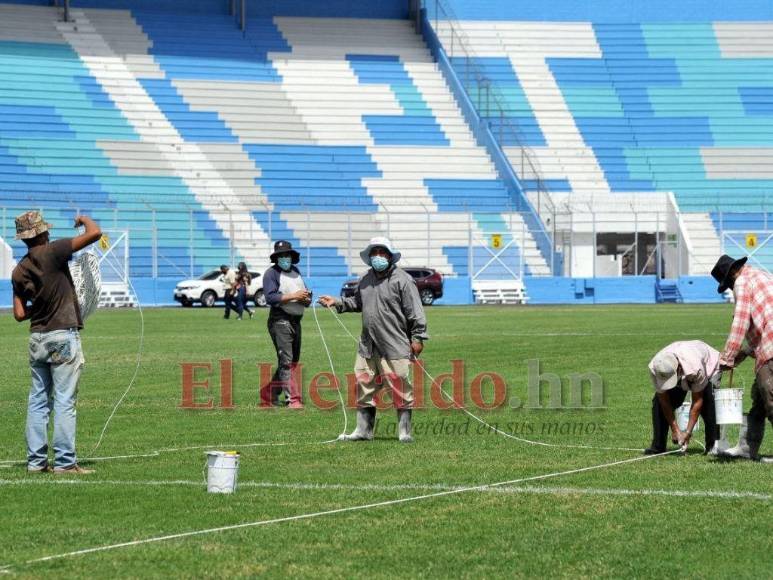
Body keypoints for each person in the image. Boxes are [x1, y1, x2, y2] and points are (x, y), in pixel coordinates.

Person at [11, 211, 102, 474]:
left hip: (37, 338)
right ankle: (65, 462)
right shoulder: (53, 251)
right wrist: (84, 218)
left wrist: (39, 307)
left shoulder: (18, 271)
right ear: (40, 233)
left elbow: (18, 314)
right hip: (62, 335)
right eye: (45, 230)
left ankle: (36, 463)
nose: (48, 232)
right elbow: (95, 233)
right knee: (64, 400)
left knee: (38, 401)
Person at [319, 237, 428, 443]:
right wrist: (337, 302)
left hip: (395, 344)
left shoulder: (403, 280)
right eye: (374, 252)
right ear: (369, 257)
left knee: (400, 387)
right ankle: (363, 430)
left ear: (389, 255)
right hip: (368, 345)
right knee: (363, 384)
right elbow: (356, 302)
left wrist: (418, 337)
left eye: (382, 252)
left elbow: (416, 311)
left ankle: (405, 433)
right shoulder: (365, 279)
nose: (378, 256)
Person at [712, 254, 773, 463]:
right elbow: (761, 319)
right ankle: (747, 447)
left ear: (730, 277)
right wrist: (742, 354)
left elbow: (740, 324)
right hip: (767, 341)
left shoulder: (742, 282)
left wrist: (726, 359)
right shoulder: (762, 275)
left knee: (771, 397)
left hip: (771, 345)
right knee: (760, 399)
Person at [644, 340, 720, 455]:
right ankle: (658, 446)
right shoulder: (655, 367)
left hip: (708, 367)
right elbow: (664, 401)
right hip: (683, 369)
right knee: (658, 404)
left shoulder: (695, 367)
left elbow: (697, 401)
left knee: (709, 403)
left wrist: (688, 432)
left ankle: (713, 446)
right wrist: (675, 430)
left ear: (678, 368)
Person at [260, 241, 310, 408]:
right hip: (280, 320)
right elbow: (271, 298)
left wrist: (307, 298)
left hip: (296, 320)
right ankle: (293, 399)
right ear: (276, 258)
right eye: (281, 255)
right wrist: (295, 296)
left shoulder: (296, 272)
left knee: (292, 360)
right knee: (287, 360)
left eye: (287, 255)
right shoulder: (271, 273)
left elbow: (303, 292)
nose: (284, 258)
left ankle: (269, 392)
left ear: (292, 256)